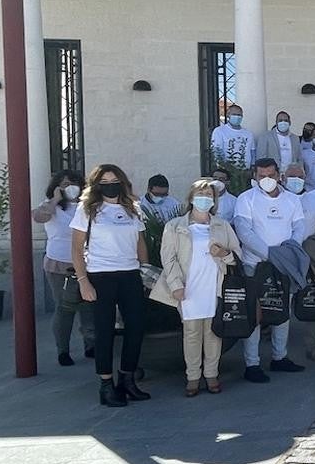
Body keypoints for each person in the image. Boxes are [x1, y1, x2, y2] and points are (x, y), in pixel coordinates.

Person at [69, 164, 151, 407]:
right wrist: (84, 282)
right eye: (104, 181)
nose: (110, 185)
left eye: (114, 180)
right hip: (100, 275)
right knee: (105, 331)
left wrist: (144, 271)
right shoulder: (87, 209)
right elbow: (75, 247)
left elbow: (140, 243)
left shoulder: (132, 208)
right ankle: (106, 385)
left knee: (136, 327)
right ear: (97, 185)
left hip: (129, 274)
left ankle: (128, 379)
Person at [160, 179, 241, 396]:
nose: (204, 198)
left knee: (214, 333)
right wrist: (176, 285)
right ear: (191, 197)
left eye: (209, 195)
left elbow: (237, 256)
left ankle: (212, 374)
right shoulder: (175, 226)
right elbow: (168, 259)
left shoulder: (222, 225)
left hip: (213, 286)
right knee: (192, 334)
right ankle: (193, 377)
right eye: (200, 193)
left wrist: (224, 254)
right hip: (189, 288)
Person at [233, 158, 307, 382]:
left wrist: (288, 251)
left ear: (279, 175)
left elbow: (299, 227)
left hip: (284, 264)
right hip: (254, 264)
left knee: (282, 310)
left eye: (270, 175)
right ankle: (252, 363)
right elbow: (244, 232)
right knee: (255, 314)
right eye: (261, 175)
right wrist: (270, 254)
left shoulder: (292, 200)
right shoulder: (246, 199)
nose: (267, 179)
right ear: (255, 177)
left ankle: (279, 356)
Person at [33, 169, 93, 366]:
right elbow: (39, 217)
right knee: (64, 308)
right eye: (65, 184)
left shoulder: (88, 207)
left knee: (89, 307)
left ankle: (90, 344)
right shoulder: (50, 207)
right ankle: (63, 350)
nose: (70, 187)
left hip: (87, 262)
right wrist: (55, 200)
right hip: (59, 264)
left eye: (73, 183)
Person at [210, 104, 255, 168]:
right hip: (227, 171)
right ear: (228, 115)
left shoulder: (248, 134)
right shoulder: (219, 131)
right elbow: (217, 152)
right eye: (234, 114)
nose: (237, 117)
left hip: (245, 171)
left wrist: (252, 167)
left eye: (239, 115)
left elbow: (252, 152)